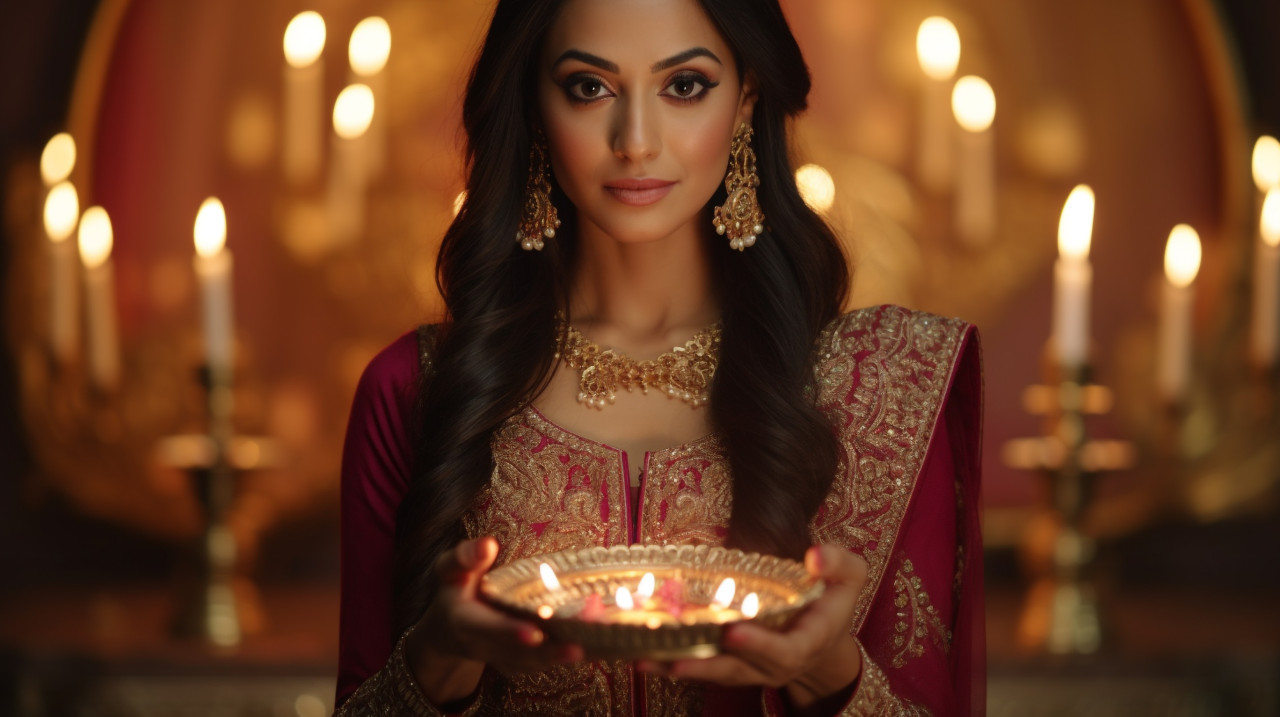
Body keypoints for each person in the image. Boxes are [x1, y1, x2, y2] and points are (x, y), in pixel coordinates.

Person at [333, 0, 984, 714]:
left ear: (746, 100)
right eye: (589, 87)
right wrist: (439, 657)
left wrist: (829, 670)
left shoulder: (883, 385)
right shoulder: (418, 390)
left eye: (684, 86)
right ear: (533, 104)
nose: (636, 141)